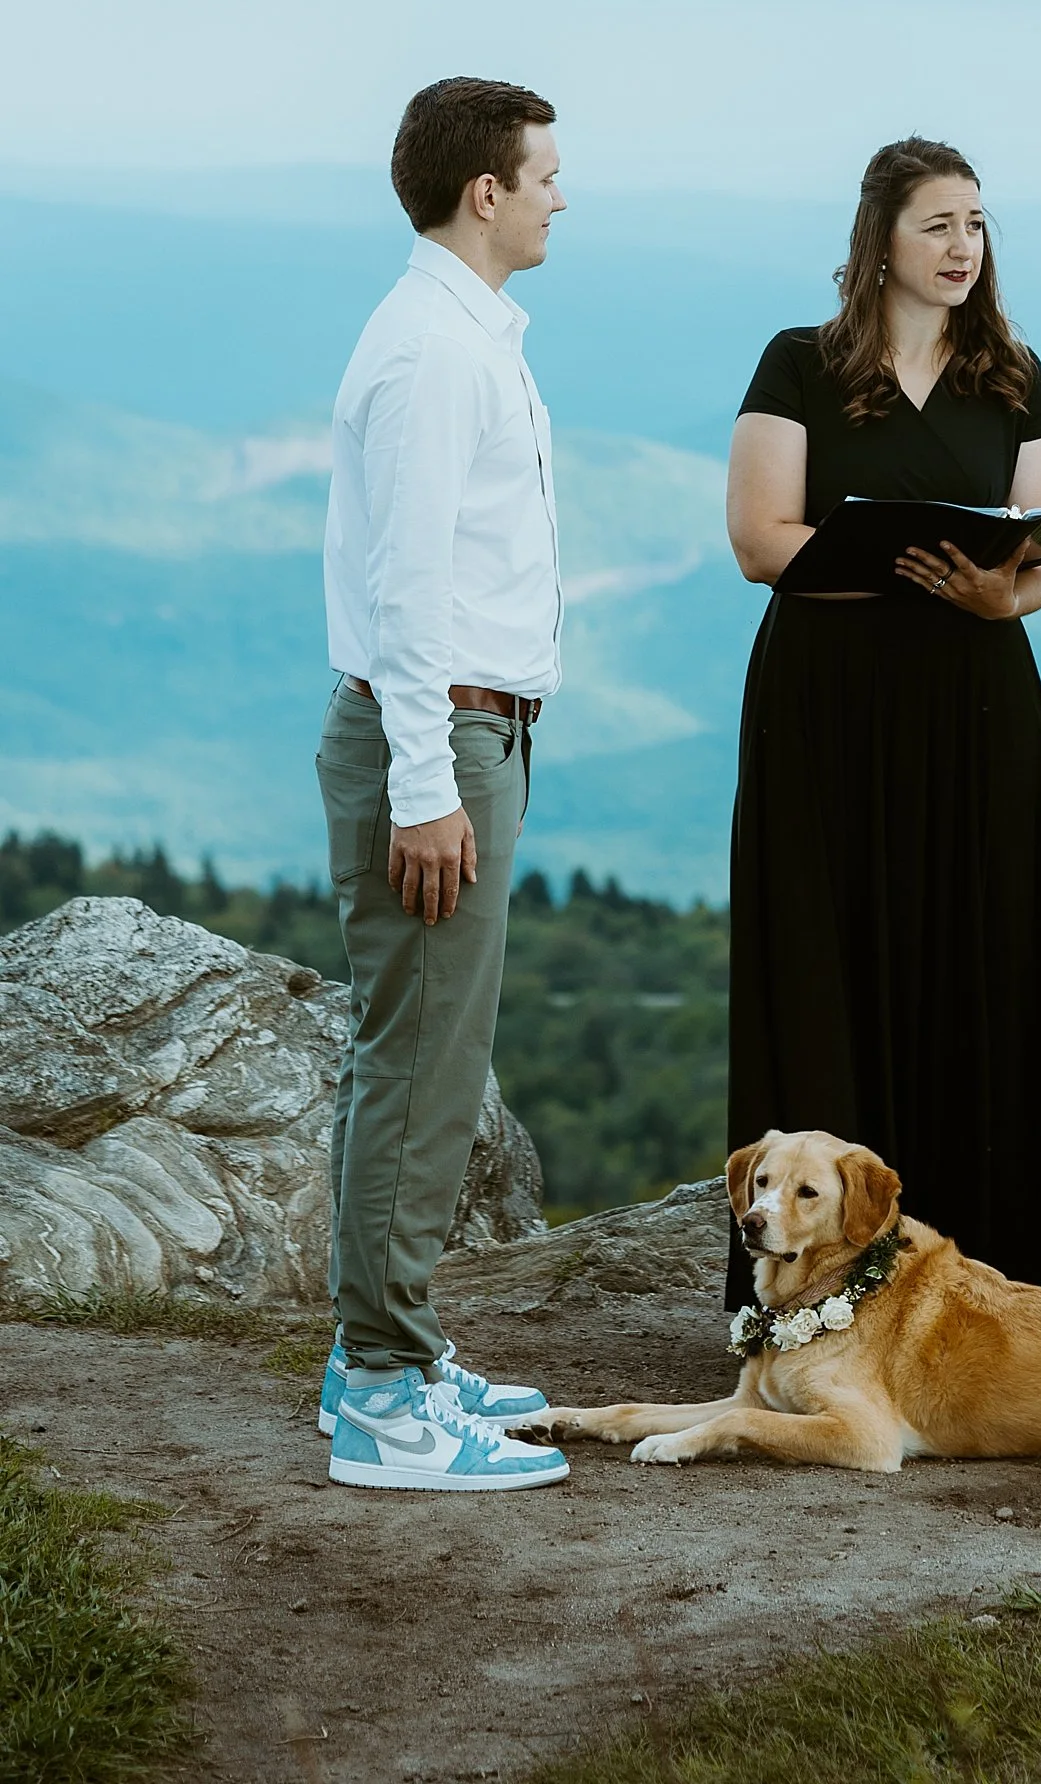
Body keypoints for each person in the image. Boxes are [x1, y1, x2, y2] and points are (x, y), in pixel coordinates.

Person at [724, 134, 1041, 1308]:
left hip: (975, 700)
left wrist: (998, 590)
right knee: (827, 957)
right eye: (937, 226)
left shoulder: (1012, 370)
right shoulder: (798, 362)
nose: (963, 247)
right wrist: (909, 569)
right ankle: (815, 1283)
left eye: (975, 224)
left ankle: (1008, 1270)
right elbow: (761, 540)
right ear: (880, 241)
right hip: (826, 706)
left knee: (990, 950)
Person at [314, 77, 572, 1493]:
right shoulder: (433, 353)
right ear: (486, 190)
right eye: (543, 175)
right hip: (439, 742)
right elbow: (405, 591)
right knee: (420, 1067)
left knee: (422, 1059)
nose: (557, 197)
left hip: (471, 736)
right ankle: (383, 1398)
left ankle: (388, 1356)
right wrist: (428, 784)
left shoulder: (467, 334)